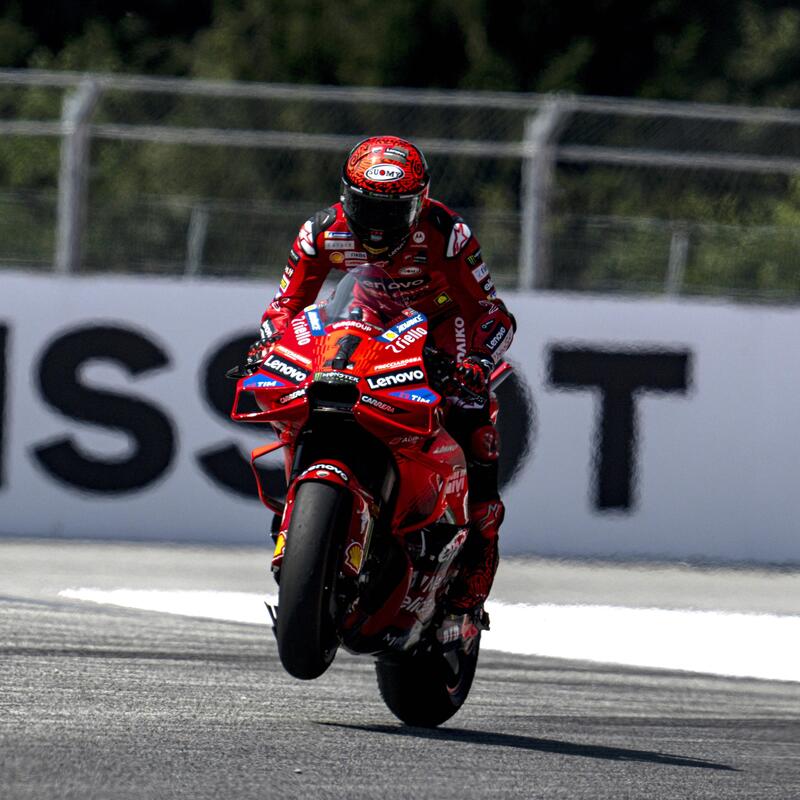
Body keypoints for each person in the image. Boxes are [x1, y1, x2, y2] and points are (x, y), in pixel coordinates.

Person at [248, 135, 515, 620]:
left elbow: (491, 313)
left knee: (470, 414)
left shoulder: (448, 233)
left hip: (439, 325)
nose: (376, 225)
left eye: (391, 212)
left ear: (419, 204)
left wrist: (476, 361)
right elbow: (287, 305)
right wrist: (270, 341)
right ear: (346, 197)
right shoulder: (320, 231)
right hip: (364, 319)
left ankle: (482, 541)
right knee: (308, 391)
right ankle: (304, 507)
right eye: (366, 208)